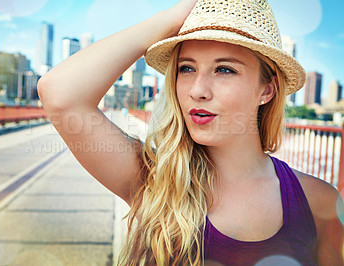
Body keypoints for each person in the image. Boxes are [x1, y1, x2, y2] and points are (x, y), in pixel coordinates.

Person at [37, 0, 344, 265]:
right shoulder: (154, 179)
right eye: (186, 68)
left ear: (267, 89)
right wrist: (172, 18)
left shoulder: (319, 202)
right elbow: (60, 96)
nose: (198, 90)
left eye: (224, 69)